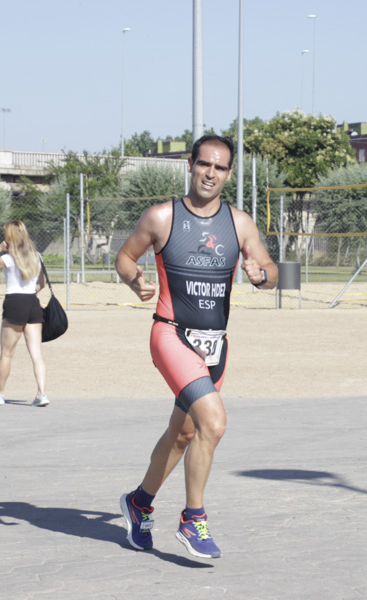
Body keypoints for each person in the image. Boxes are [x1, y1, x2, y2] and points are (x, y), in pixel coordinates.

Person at [115, 135, 277, 559]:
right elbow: (125, 257)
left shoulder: (239, 223)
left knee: (185, 432)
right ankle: (193, 519)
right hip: (171, 334)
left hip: (215, 345)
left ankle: (139, 503)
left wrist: (262, 276)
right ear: (190, 165)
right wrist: (135, 281)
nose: (211, 173)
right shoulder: (162, 217)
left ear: (228, 174)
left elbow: (274, 271)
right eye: (204, 164)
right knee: (214, 423)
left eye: (220, 168)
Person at [0, 220, 50, 407]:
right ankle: (42, 393)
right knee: (36, 353)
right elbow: (41, 284)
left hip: (15, 302)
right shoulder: (37, 256)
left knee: (7, 353)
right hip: (32, 302)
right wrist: (31, 293)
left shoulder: (8, 258)